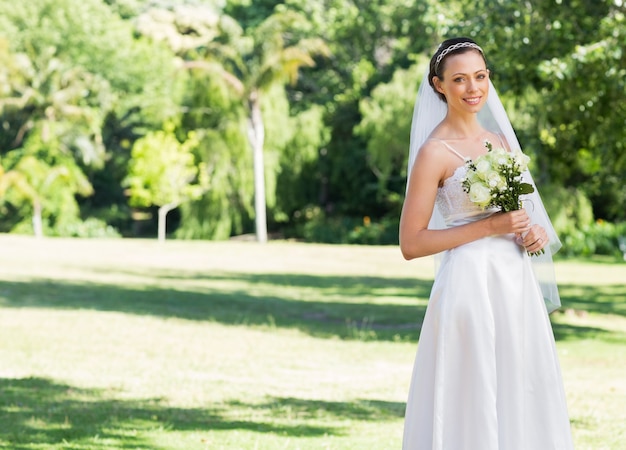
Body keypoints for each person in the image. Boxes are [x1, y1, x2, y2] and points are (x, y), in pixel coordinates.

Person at [399, 37, 574, 449]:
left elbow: (523, 218)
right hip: (468, 283)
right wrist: (489, 227)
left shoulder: (501, 141)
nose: (473, 88)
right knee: (472, 385)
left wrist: (531, 232)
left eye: (479, 76)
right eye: (459, 79)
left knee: (522, 382)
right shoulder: (433, 153)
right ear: (438, 85)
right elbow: (411, 243)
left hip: (514, 282)